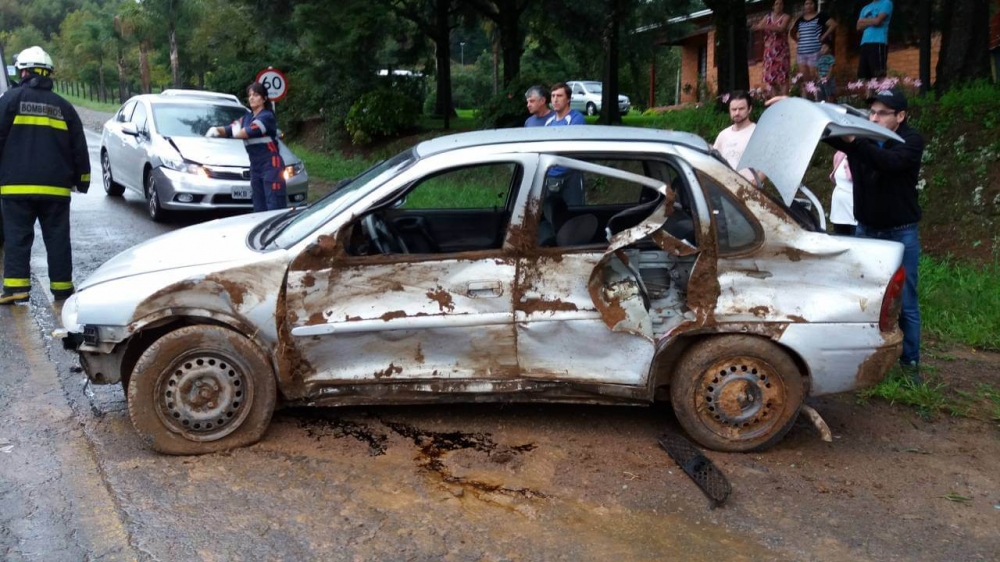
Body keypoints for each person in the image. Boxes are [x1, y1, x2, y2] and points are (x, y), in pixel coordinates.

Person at [825, 88, 924, 382]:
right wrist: (806, 109)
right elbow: (827, 135)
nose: (875, 117)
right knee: (864, 297)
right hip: (866, 230)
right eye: (872, 112)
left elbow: (888, 163)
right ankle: (867, 359)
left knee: (905, 301)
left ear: (900, 116)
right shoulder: (863, 137)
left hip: (900, 234)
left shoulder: (910, 141)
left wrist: (854, 140)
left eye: (882, 113)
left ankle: (910, 364)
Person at [0, 46, 90, 305]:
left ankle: (16, 288)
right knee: (58, 238)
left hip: (16, 187)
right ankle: (62, 289)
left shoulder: (9, 100)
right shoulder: (64, 107)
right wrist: (82, 180)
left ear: (24, 71)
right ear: (48, 74)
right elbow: (78, 147)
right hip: (56, 189)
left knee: (17, 237)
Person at [207, 82, 286, 212]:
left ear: (264, 98)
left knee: (274, 205)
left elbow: (246, 132)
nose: (251, 98)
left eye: (255, 95)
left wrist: (232, 132)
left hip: (271, 167)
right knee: (259, 205)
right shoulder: (247, 118)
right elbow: (229, 129)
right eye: (249, 95)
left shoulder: (267, 116)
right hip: (255, 166)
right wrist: (215, 130)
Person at [542, 82, 586, 205]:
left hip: (571, 175)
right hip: (550, 175)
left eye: (559, 96)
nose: (555, 99)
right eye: (553, 96)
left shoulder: (576, 119)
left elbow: (570, 147)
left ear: (568, 99)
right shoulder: (549, 122)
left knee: (574, 215)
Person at [790, 0, 837, 92]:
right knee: (806, 80)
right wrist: (797, 40)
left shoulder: (820, 16)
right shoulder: (800, 20)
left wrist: (824, 36)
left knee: (815, 77)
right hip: (801, 53)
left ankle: (818, 99)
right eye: (806, 4)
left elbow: (833, 24)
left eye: (811, 3)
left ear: (814, 5)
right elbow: (792, 32)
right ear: (804, 6)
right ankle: (809, 101)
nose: (809, 6)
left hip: (815, 52)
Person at [753, 0, 791, 96]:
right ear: (773, 6)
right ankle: (775, 103)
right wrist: (757, 27)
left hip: (782, 52)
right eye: (776, 4)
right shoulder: (767, 17)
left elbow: (781, 28)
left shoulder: (786, 17)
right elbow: (758, 27)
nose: (779, 6)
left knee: (783, 78)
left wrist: (765, 26)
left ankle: (784, 101)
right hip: (769, 52)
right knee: (771, 79)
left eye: (781, 4)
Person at [713, 91, 756, 169]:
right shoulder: (723, 135)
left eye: (741, 109)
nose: (737, 113)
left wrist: (756, 180)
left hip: (749, 180)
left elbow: (769, 161)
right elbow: (713, 162)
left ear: (749, 109)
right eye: (733, 109)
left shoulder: (757, 132)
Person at [857, 0, 893, 79]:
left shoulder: (886, 3)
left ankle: (880, 91)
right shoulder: (865, 8)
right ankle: (869, 92)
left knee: (878, 74)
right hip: (864, 43)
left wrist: (863, 20)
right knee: (865, 76)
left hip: (878, 42)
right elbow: (858, 26)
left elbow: (878, 21)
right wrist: (872, 21)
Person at [829, 151, 856, 235]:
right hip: (838, 213)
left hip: (854, 214)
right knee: (840, 243)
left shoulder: (863, 156)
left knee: (856, 245)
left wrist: (851, 161)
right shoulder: (840, 154)